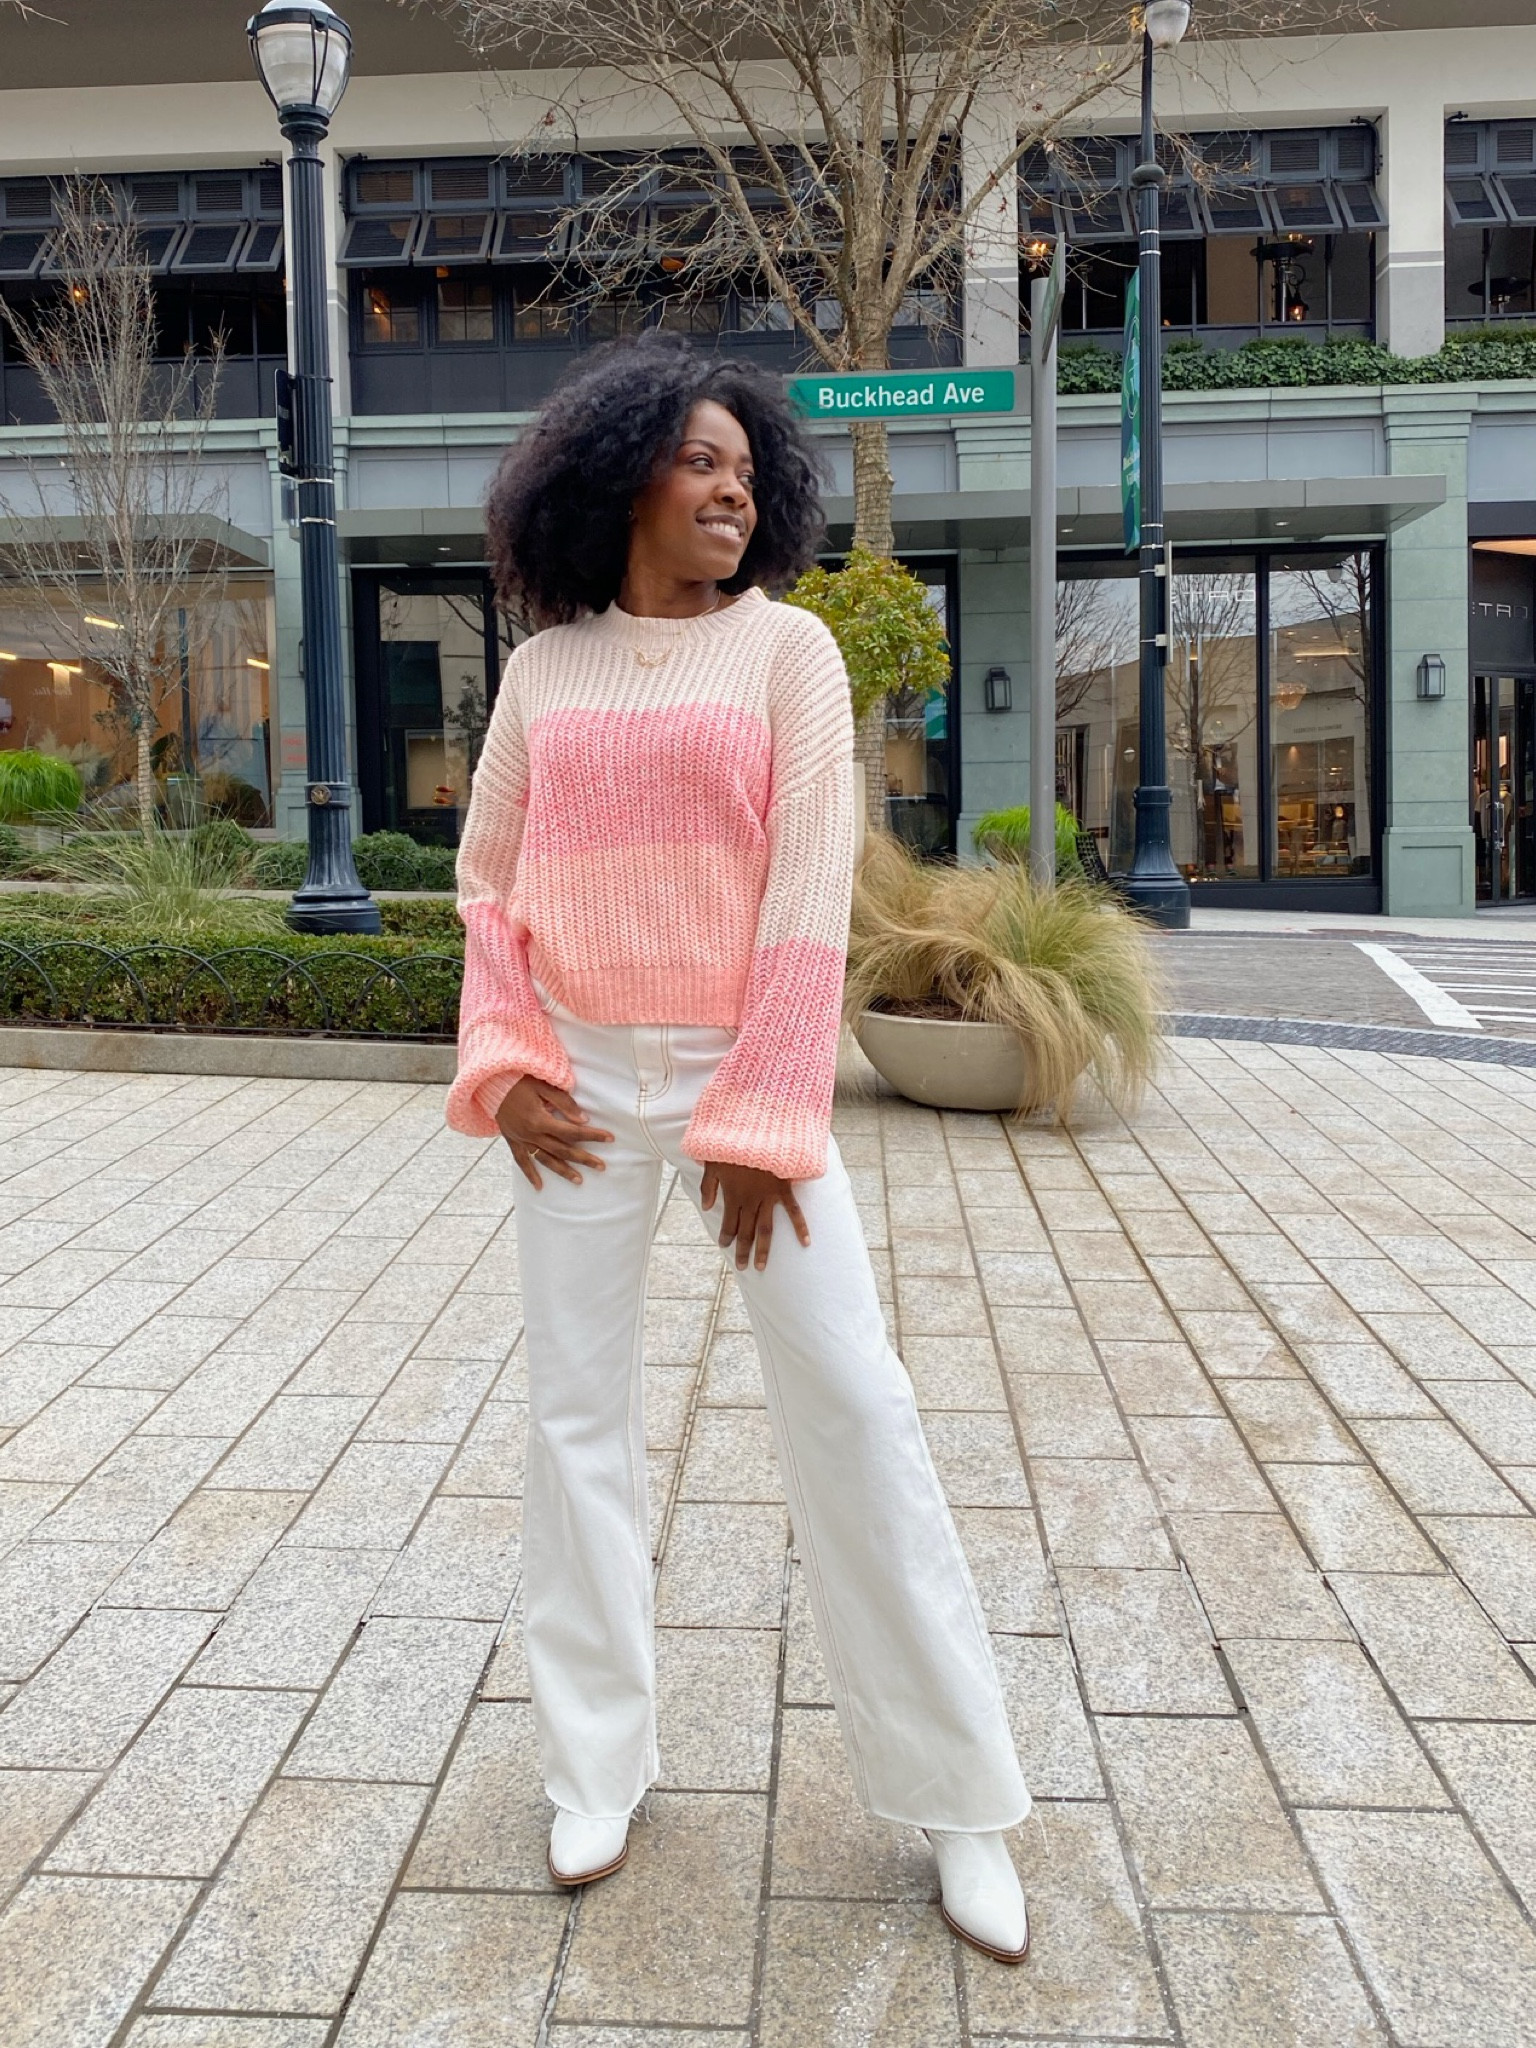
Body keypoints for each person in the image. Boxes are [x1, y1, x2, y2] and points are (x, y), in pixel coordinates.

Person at [446, 334, 1031, 1965]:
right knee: (575, 1420)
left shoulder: (791, 657)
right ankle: (595, 1765)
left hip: (733, 1072)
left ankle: (964, 1796)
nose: (733, 487)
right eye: (701, 460)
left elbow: (804, 898)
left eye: (745, 468)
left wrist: (768, 1110)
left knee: (853, 1400)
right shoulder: (547, 670)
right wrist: (505, 1059)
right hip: (572, 1081)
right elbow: (488, 881)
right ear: (620, 470)